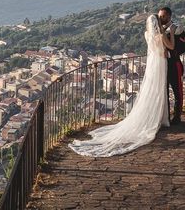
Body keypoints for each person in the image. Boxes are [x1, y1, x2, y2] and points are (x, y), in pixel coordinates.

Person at [69, 14, 171, 157]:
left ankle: (156, 117)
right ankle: (161, 118)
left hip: (152, 64)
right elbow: (166, 49)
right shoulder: (160, 36)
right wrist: (168, 34)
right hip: (160, 63)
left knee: (152, 90)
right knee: (158, 90)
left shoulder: (147, 34)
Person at [158, 6, 185, 124]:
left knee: (177, 91)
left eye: (163, 16)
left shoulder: (178, 29)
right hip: (161, 66)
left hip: (174, 64)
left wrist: (170, 53)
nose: (161, 18)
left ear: (169, 16)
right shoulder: (158, 30)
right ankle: (166, 117)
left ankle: (177, 116)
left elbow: (184, 47)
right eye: (159, 16)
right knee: (163, 92)